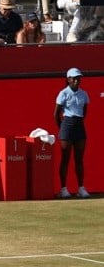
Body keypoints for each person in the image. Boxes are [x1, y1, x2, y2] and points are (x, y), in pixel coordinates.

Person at [56, 67, 90, 198]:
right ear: (68, 79)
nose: (77, 80)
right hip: (67, 124)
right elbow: (56, 114)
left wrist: (77, 122)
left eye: (78, 78)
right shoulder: (63, 93)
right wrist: (63, 128)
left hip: (79, 125)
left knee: (79, 159)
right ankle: (63, 189)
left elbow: (84, 111)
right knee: (65, 158)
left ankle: (81, 188)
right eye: (74, 78)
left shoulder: (84, 94)